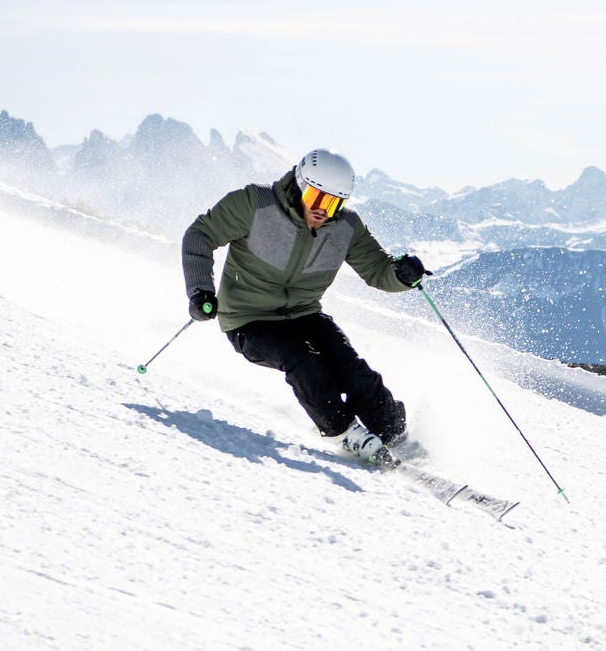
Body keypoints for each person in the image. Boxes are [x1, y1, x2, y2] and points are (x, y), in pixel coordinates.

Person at [181, 149, 427, 462]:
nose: (324, 210)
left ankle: (393, 431)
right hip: (248, 319)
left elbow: (379, 270)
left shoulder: (345, 227)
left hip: (304, 313)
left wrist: (403, 275)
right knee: (302, 361)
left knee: (350, 368)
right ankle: (343, 431)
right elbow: (200, 234)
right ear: (300, 184)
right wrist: (200, 290)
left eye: (334, 202)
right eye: (317, 198)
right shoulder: (254, 205)